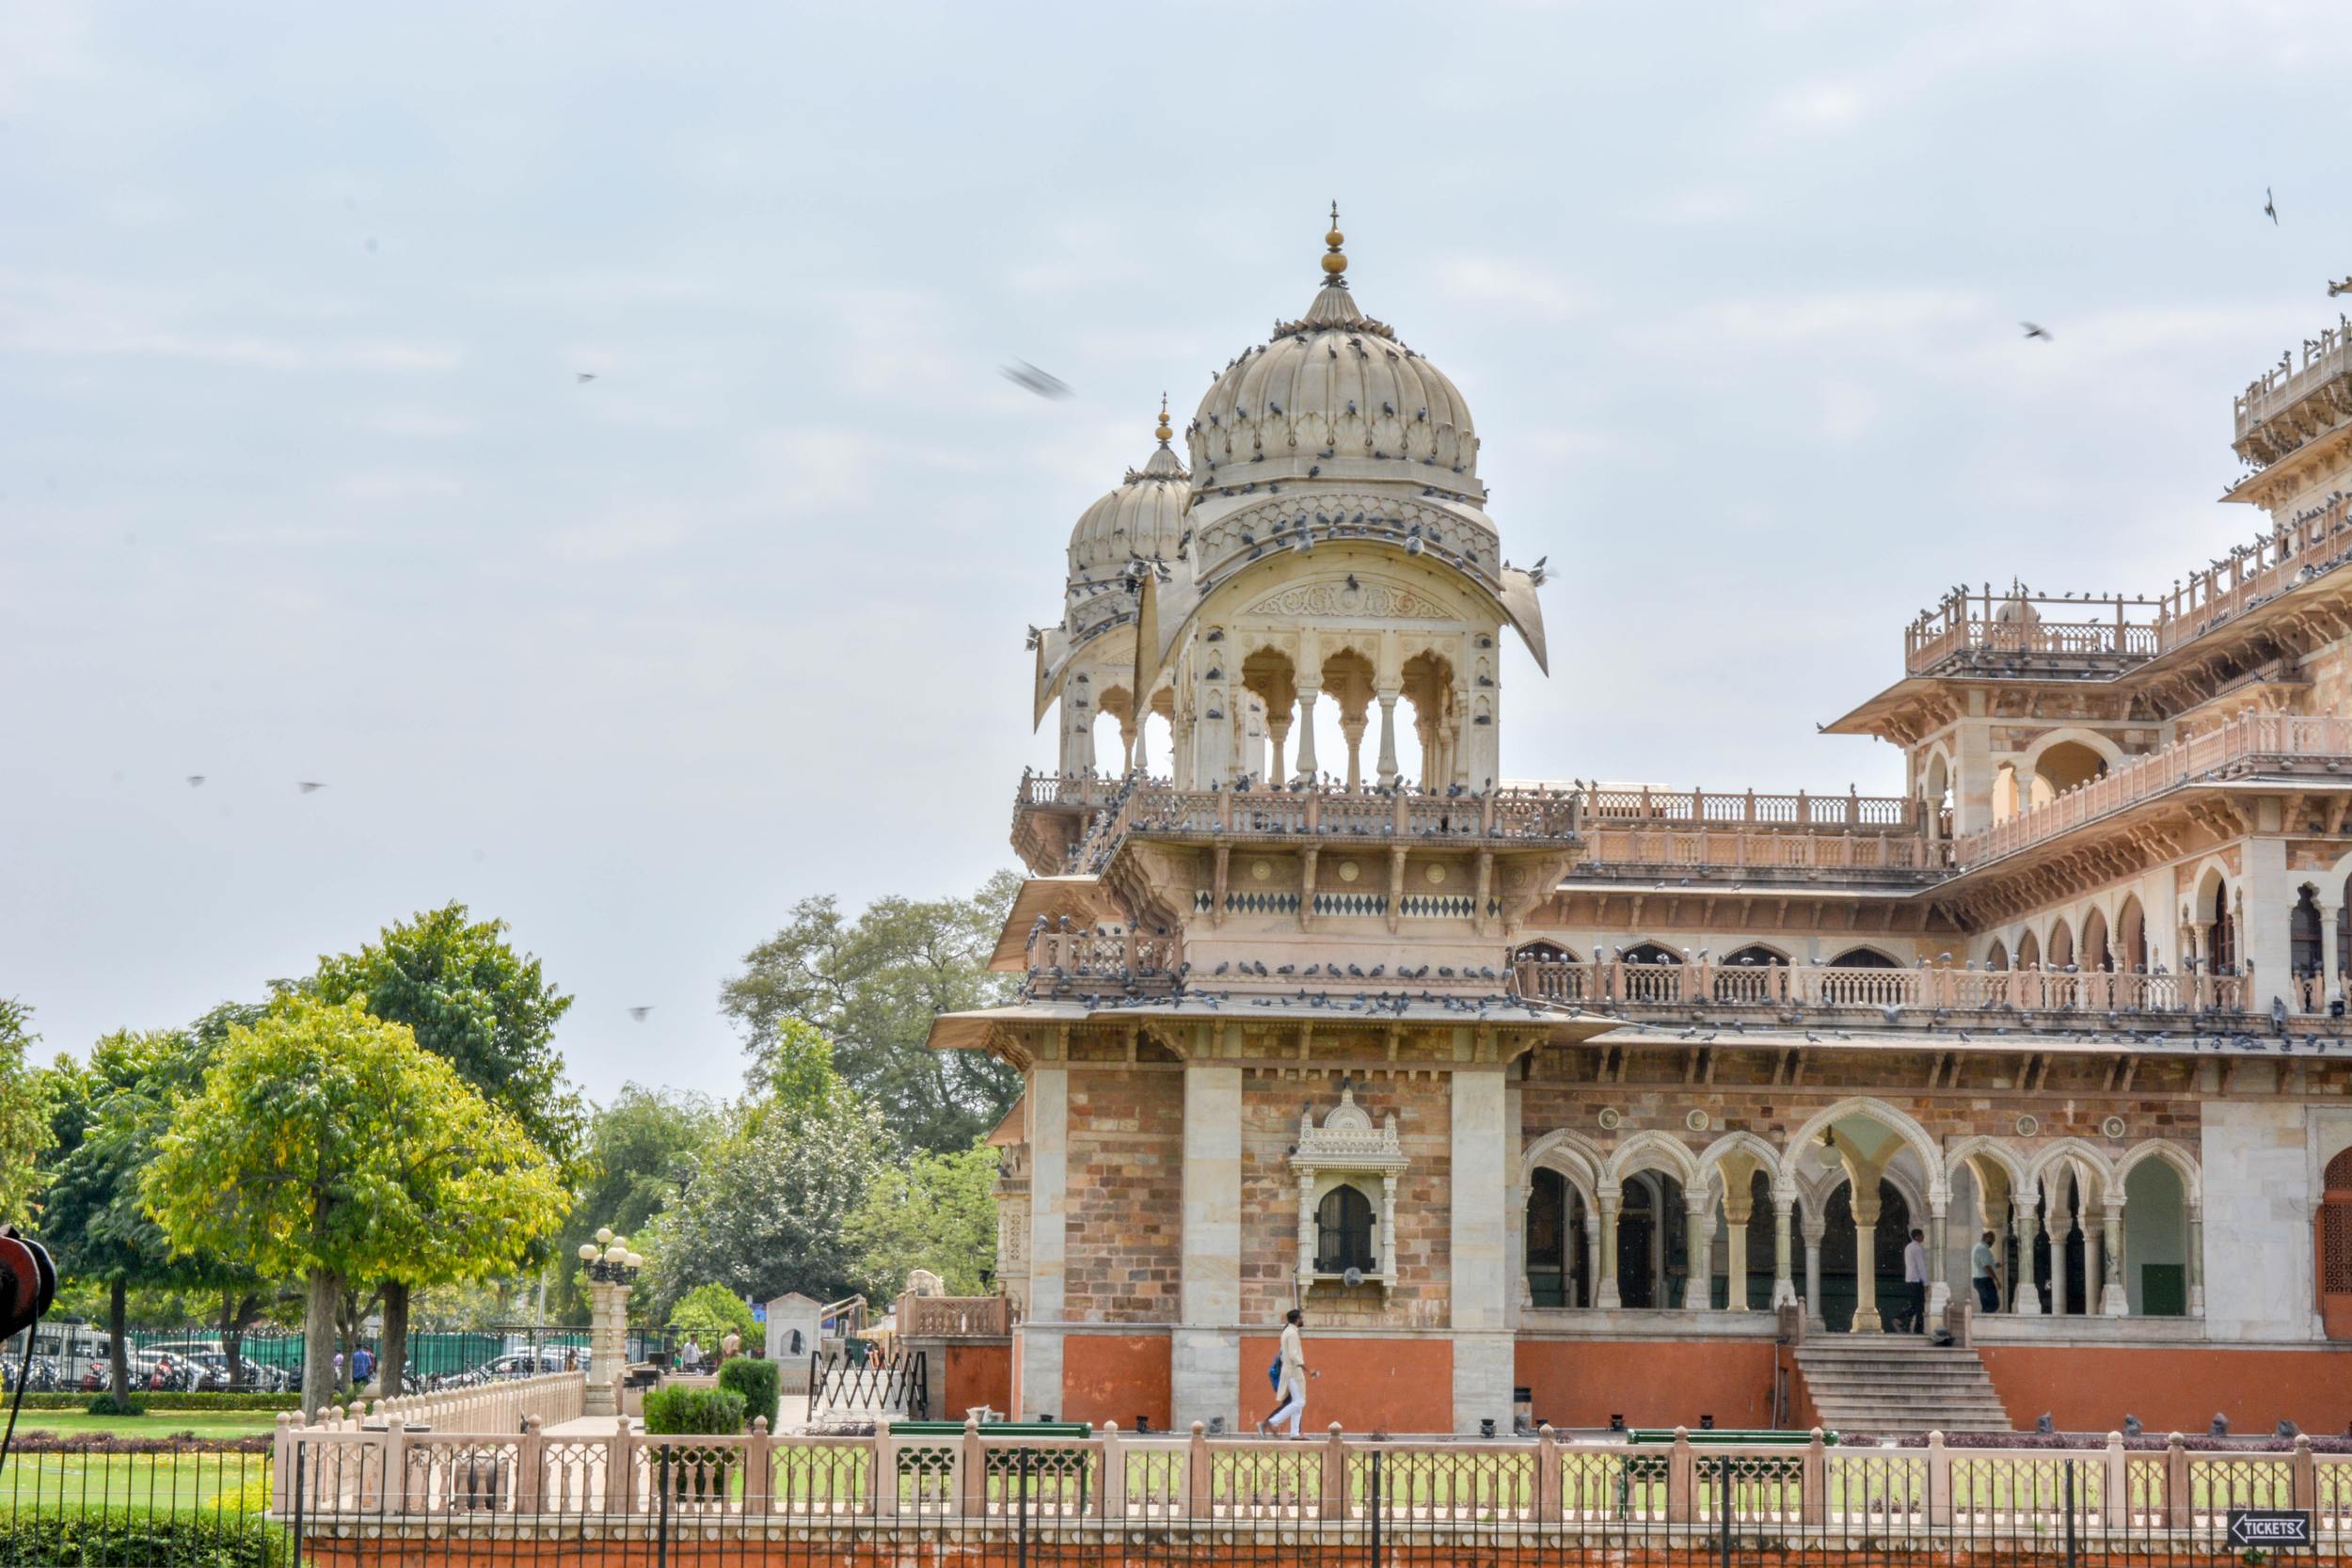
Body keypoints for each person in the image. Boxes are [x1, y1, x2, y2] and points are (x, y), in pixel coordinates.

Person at [1259, 1308, 1315, 1437]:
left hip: (1290, 1371)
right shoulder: (1292, 1333)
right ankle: (1271, 1422)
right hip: (1293, 1372)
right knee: (1300, 1402)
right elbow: (1294, 1355)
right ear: (1297, 1320)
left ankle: (1295, 1433)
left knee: (1297, 1402)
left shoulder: (1288, 1331)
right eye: (1301, 1318)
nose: (1303, 1320)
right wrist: (1309, 1369)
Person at [1901, 1227, 1930, 1333]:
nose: (1923, 1237)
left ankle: (1904, 1321)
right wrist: (1926, 1282)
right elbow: (1920, 1266)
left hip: (1910, 1279)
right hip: (1916, 1280)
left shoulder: (1908, 1247)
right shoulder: (1917, 1248)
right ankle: (1914, 1326)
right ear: (1917, 1236)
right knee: (1919, 1305)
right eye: (1922, 1235)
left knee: (1915, 1304)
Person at [1971, 1229, 2003, 1313]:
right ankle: (1985, 1321)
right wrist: (1997, 1280)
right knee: (1994, 1304)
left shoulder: (1977, 1247)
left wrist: (1996, 1265)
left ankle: (1983, 1321)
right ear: (1988, 1238)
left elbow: (1983, 1264)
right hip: (1984, 1281)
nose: (1993, 1243)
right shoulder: (1983, 1249)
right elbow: (1987, 1267)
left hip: (1979, 1280)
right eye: (1993, 1240)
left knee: (1986, 1304)